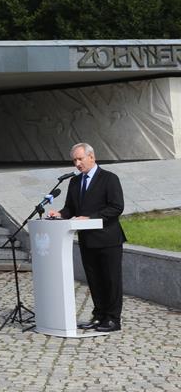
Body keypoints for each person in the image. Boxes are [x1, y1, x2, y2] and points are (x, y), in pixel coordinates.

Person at [48, 143, 126, 333]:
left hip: (108, 239)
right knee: (94, 280)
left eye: (80, 159)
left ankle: (113, 319)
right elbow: (70, 209)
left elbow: (116, 207)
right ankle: (99, 315)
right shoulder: (75, 182)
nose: (77, 163)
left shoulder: (109, 178)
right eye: (74, 160)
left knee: (111, 280)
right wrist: (59, 214)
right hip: (87, 240)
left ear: (92, 157)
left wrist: (91, 218)